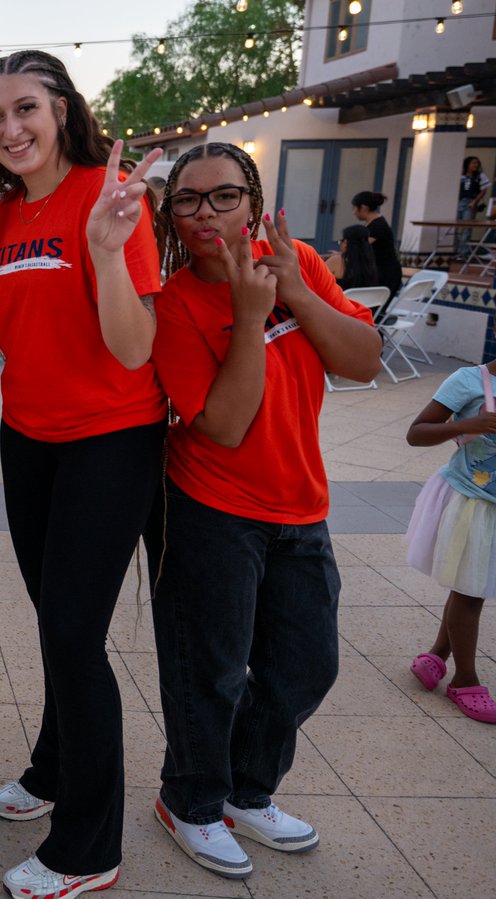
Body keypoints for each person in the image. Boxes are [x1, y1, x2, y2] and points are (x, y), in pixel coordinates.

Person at [0, 49, 165, 898]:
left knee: (75, 637)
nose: (10, 129)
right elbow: (7, 332)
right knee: (55, 619)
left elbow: (133, 348)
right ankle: (52, 767)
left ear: (61, 110)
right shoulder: (3, 214)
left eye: (25, 110)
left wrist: (108, 251)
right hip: (30, 439)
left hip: (110, 441)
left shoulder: (108, 199)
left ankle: (87, 846)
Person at [149, 143, 381, 880]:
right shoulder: (177, 304)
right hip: (211, 509)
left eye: (223, 196)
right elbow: (223, 425)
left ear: (252, 200)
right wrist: (250, 317)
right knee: (209, 671)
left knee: (305, 665)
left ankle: (246, 791)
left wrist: (297, 294)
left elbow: (364, 359)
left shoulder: (301, 263)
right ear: (173, 216)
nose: (206, 213)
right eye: (188, 200)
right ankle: (191, 800)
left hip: (301, 504)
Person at [405, 360, 496, 724]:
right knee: (471, 594)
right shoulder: (470, 380)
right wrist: (466, 425)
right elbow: (416, 433)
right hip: (473, 503)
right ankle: (465, 680)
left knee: (468, 585)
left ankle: (437, 654)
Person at [351, 190, 403, 299]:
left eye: (354, 208)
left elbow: (360, 248)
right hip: (378, 273)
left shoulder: (377, 226)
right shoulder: (372, 224)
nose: (353, 212)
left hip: (386, 275)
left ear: (364, 207)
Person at [325, 223, 380, 292]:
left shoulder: (337, 260)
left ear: (345, 243)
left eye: (340, 241)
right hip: (362, 302)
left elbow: (315, 279)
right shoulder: (369, 263)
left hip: (337, 302)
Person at [455, 156, 491, 258]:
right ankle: (455, 250)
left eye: (477, 163)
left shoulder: (479, 176)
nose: (475, 165)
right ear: (467, 164)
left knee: (467, 228)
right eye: (473, 163)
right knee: (455, 228)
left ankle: (463, 252)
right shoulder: (460, 175)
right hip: (458, 202)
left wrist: (475, 201)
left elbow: (484, 190)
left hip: (470, 203)